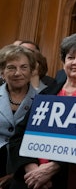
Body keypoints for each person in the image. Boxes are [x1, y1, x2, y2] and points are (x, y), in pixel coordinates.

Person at [8, 33, 76, 189]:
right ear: (64, 62)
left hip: (69, 179)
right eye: (71, 57)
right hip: (29, 180)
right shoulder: (46, 94)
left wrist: (55, 167)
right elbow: (19, 135)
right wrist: (31, 168)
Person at [0, 45, 37, 188]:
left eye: (24, 67)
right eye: (11, 67)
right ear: (2, 71)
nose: (17, 73)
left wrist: (14, 174)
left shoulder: (43, 99)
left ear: (32, 71)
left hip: (24, 171)